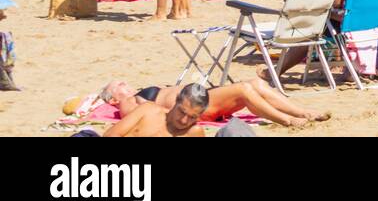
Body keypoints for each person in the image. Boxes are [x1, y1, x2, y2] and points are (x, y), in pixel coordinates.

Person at [101, 76, 329, 129]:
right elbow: (145, 117)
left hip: (201, 97)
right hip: (194, 107)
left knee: (255, 82)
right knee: (243, 89)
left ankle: (303, 112)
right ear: (112, 97)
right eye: (119, 84)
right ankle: (287, 120)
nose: (125, 83)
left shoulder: (139, 92)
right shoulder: (126, 103)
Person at [102, 82, 207, 138]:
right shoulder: (148, 110)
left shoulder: (193, 132)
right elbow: (110, 134)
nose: (184, 120)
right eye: (182, 112)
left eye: (192, 117)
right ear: (176, 101)